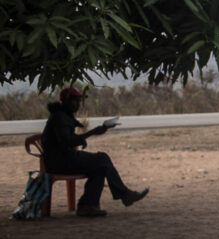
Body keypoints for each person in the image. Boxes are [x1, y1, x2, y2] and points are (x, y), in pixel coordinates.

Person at [41, 86, 149, 217]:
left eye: (79, 101)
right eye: (75, 101)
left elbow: (66, 139)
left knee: (100, 166)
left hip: (62, 158)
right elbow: (66, 141)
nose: (77, 104)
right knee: (102, 159)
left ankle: (87, 206)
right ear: (66, 100)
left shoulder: (62, 115)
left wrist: (82, 138)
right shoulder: (60, 117)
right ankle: (123, 195)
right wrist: (91, 133)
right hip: (60, 161)